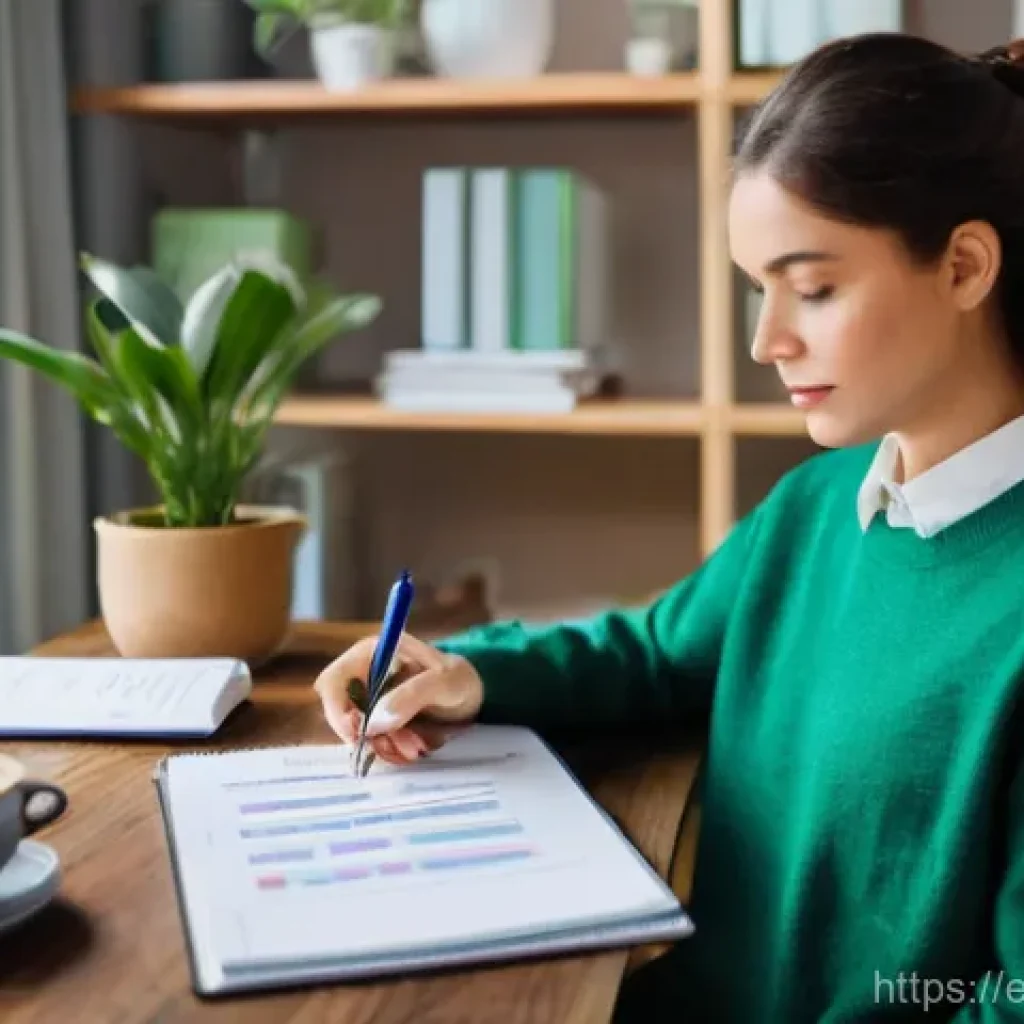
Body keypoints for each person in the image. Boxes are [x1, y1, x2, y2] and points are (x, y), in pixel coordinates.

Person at [315, 32, 1024, 1023]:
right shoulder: (816, 508)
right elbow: (656, 653)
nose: (764, 340)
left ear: (962, 265)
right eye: (757, 289)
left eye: (812, 288)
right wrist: (468, 674)